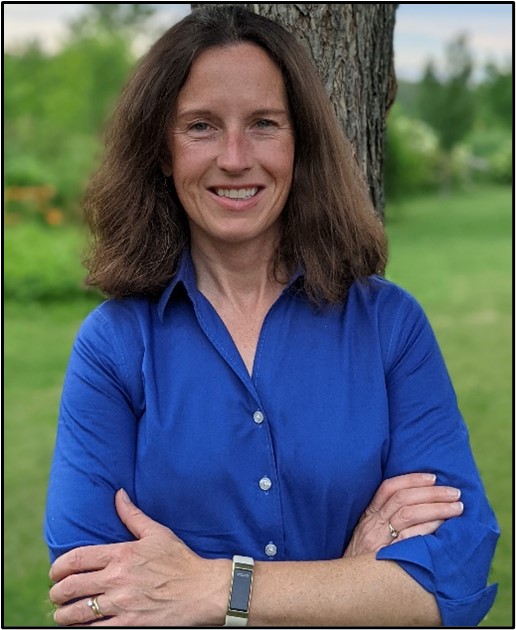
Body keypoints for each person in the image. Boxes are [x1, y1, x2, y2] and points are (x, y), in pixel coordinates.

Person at [45, 5, 499, 627]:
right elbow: (92, 599)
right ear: (162, 150)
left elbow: (454, 580)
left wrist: (215, 590)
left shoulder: (389, 326)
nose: (235, 158)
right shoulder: (116, 346)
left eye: (264, 124)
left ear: (298, 143)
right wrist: (353, 582)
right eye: (201, 126)